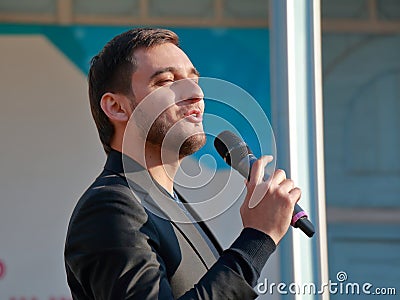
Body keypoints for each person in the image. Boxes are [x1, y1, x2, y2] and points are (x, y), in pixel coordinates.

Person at [64, 27, 301, 299]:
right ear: (117, 107)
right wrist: (258, 237)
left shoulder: (171, 205)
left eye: (194, 79)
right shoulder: (110, 207)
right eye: (166, 82)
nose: (196, 93)